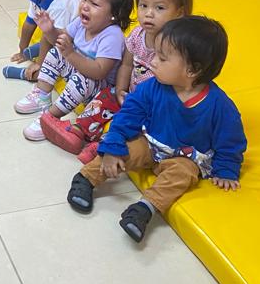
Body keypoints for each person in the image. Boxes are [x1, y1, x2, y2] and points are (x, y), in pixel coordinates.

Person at [67, 16, 247, 244]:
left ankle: (145, 208)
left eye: (162, 58)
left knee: (184, 174)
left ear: (192, 70)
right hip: (149, 142)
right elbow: (127, 116)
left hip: (184, 157)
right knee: (123, 149)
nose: (152, 61)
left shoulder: (220, 106)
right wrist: (112, 148)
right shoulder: (151, 87)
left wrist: (226, 170)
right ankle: (85, 178)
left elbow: (231, 141)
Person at [42, 0, 194, 160]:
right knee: (105, 98)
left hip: (156, 102)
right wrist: (121, 89)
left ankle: (103, 146)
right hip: (130, 94)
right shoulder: (137, 35)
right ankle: (78, 131)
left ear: (179, 12)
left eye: (159, 8)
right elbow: (127, 65)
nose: (148, 14)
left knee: (141, 126)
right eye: (143, 6)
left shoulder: (178, 46)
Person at [13, 0, 132, 141]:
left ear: (114, 14)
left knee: (84, 78)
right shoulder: (80, 23)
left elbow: (99, 72)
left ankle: (50, 118)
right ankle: (42, 95)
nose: (85, 6)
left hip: (99, 88)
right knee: (56, 52)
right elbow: (61, 41)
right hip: (79, 72)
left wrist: (70, 54)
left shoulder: (112, 36)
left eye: (94, 4)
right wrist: (50, 30)